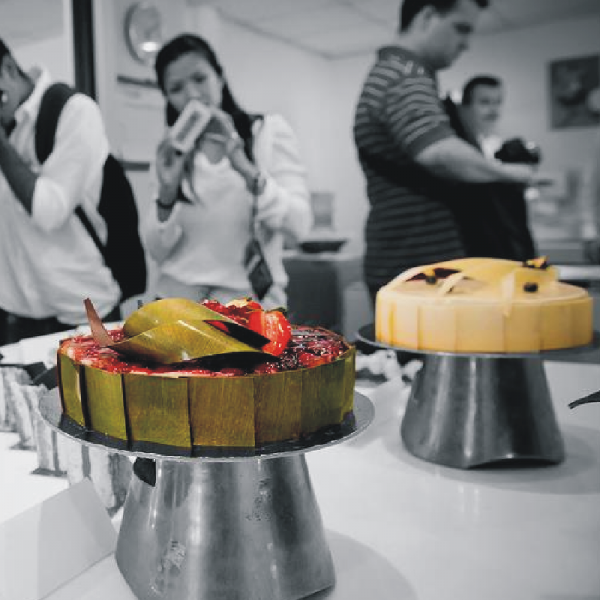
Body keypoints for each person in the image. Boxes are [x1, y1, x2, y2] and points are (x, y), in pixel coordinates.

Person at [353, 0, 538, 307]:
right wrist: (512, 173)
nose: (466, 43)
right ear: (427, 17)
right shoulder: (404, 75)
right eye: (460, 28)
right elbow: (439, 153)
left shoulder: (402, 73)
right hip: (416, 269)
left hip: (418, 266)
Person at [142, 34, 312, 310]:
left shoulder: (267, 133)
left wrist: (245, 169)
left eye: (200, 79)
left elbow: (299, 227)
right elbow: (156, 251)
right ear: (167, 98)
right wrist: (167, 193)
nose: (192, 95)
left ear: (219, 78)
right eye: (176, 88)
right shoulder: (171, 153)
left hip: (250, 310)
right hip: (177, 309)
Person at [0, 38, 121, 345]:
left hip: (81, 314)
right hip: (16, 315)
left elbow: (49, 211)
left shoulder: (74, 111)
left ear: (8, 69)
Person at [443, 74, 538, 260]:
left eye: (498, 102)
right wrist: (513, 174)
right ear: (465, 106)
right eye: (485, 102)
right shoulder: (460, 148)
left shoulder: (495, 145)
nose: (493, 110)